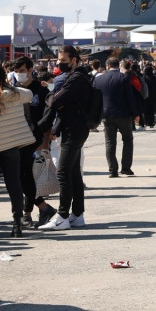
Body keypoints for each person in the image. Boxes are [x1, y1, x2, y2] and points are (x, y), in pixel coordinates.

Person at [39, 45, 93, 231]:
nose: (59, 64)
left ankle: (62, 216)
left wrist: (51, 95)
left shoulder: (76, 78)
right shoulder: (77, 76)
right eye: (58, 61)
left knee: (63, 172)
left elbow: (55, 101)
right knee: (73, 173)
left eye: (63, 61)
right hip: (75, 128)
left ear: (75, 60)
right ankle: (77, 214)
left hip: (74, 130)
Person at [11, 57, 57, 227]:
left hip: (36, 139)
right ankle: (36, 210)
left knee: (27, 176)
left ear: (31, 70)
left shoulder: (41, 89)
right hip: (18, 138)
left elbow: (48, 116)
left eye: (22, 70)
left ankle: (33, 211)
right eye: (17, 71)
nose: (19, 74)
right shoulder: (15, 91)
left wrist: (45, 142)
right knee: (24, 176)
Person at [0, 65, 33, 237]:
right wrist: (11, 86)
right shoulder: (16, 94)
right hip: (11, 146)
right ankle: (17, 222)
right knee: (14, 185)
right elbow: (29, 95)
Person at [93, 58, 138, 177]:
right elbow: (130, 97)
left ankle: (112, 169)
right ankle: (126, 167)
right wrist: (135, 114)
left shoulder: (99, 79)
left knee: (110, 143)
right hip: (123, 114)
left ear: (107, 66)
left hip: (107, 115)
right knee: (127, 140)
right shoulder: (123, 78)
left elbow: (95, 100)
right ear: (118, 66)